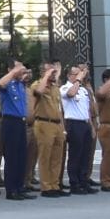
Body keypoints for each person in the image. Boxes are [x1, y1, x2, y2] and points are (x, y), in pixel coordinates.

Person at [61, 63, 98, 195]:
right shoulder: (65, 87)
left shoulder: (83, 90)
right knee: (75, 155)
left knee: (85, 154)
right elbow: (70, 94)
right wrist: (78, 80)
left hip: (85, 123)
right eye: (75, 74)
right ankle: (74, 183)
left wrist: (92, 127)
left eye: (79, 74)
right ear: (69, 76)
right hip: (73, 123)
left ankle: (84, 181)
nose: (79, 76)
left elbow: (87, 109)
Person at [0, 59, 33, 200]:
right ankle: (11, 189)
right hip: (10, 122)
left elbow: (28, 77)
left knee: (21, 157)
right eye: (20, 68)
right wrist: (13, 72)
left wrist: (23, 73)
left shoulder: (20, 84)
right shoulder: (9, 84)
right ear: (10, 69)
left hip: (21, 123)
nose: (22, 71)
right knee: (12, 157)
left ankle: (19, 187)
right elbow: (0, 84)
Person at [30, 62, 66, 197]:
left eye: (54, 72)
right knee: (46, 156)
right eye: (50, 72)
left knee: (57, 157)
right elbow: (38, 92)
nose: (53, 74)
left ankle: (55, 185)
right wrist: (46, 76)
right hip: (44, 123)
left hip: (57, 125)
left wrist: (63, 127)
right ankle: (46, 186)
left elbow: (59, 108)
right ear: (43, 73)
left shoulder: (55, 88)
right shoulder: (37, 84)